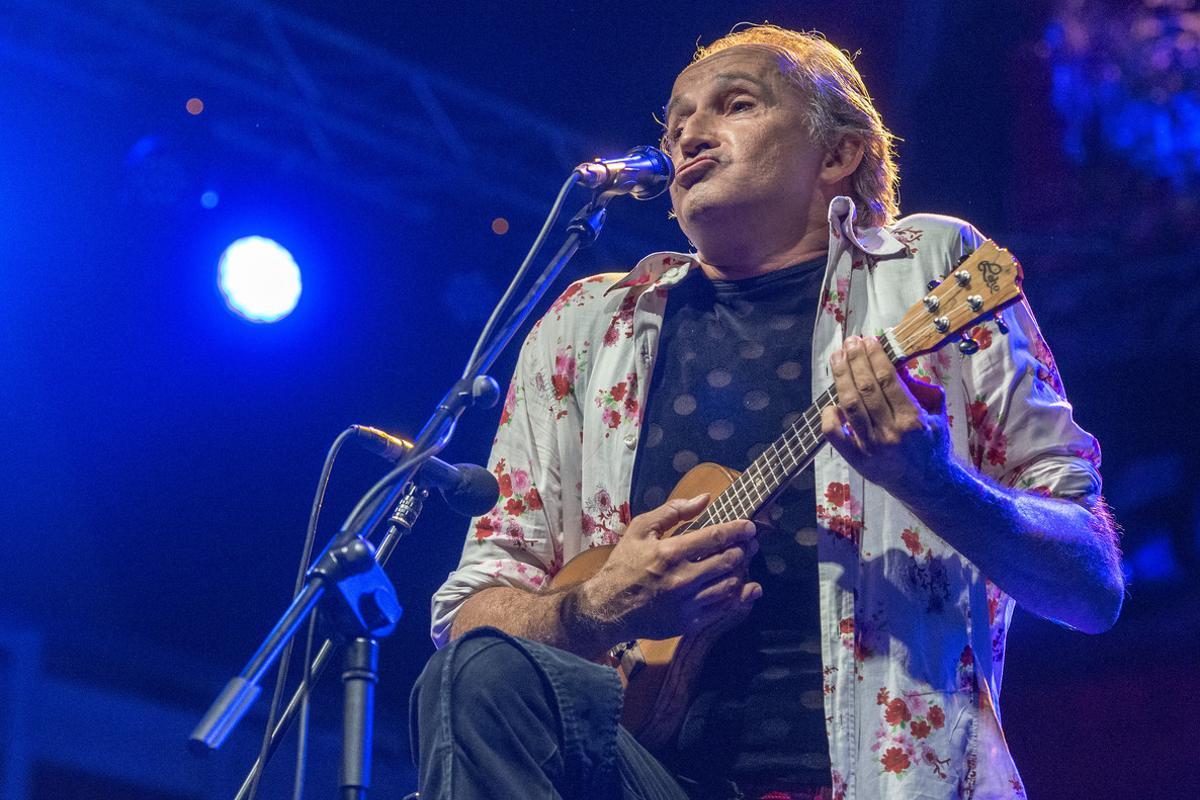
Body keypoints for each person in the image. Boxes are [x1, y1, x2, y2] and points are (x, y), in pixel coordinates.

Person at [410, 24, 1124, 800]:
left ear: (837, 154)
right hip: (643, 774)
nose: (688, 132)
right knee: (472, 675)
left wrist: (933, 481)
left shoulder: (930, 271)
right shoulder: (587, 325)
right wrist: (595, 608)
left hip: (882, 783)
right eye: (676, 119)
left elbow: (1090, 587)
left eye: (735, 104)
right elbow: (470, 616)